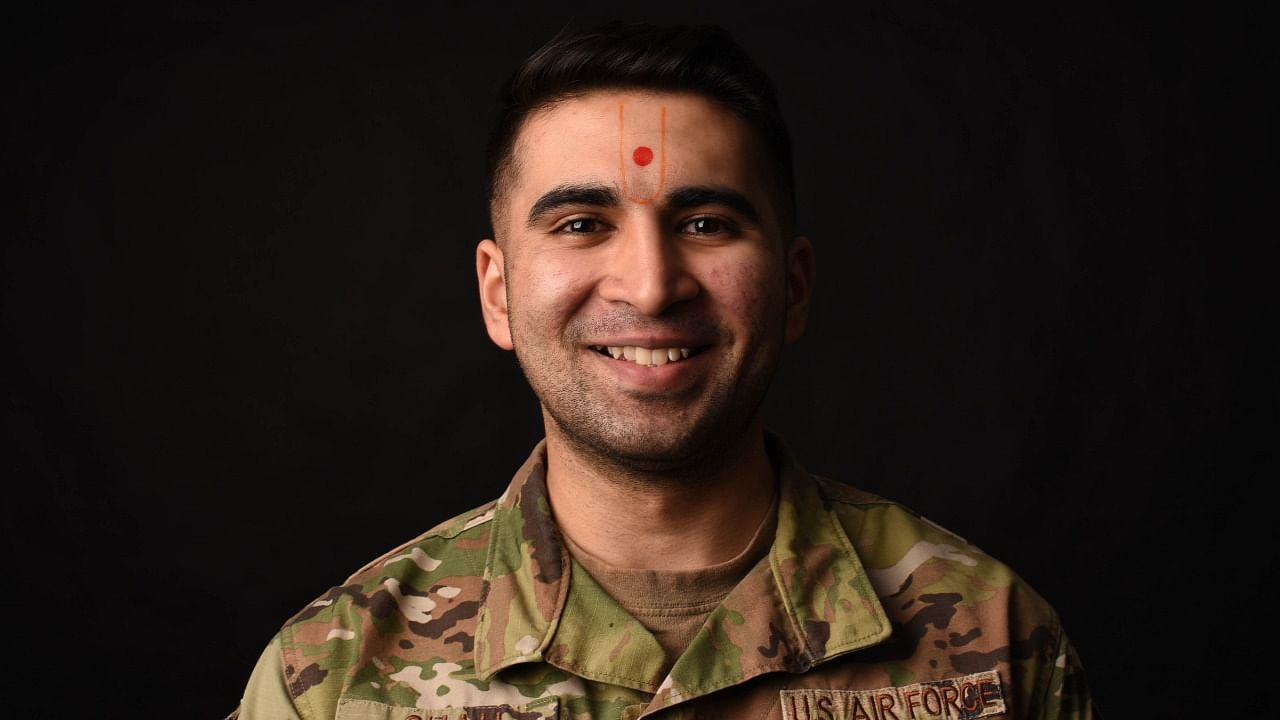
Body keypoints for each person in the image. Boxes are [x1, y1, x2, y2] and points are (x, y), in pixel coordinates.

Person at [231, 21, 1093, 720]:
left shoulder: (1000, 644)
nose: (650, 287)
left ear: (792, 289)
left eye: (708, 223)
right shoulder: (333, 681)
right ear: (498, 294)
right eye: (579, 224)